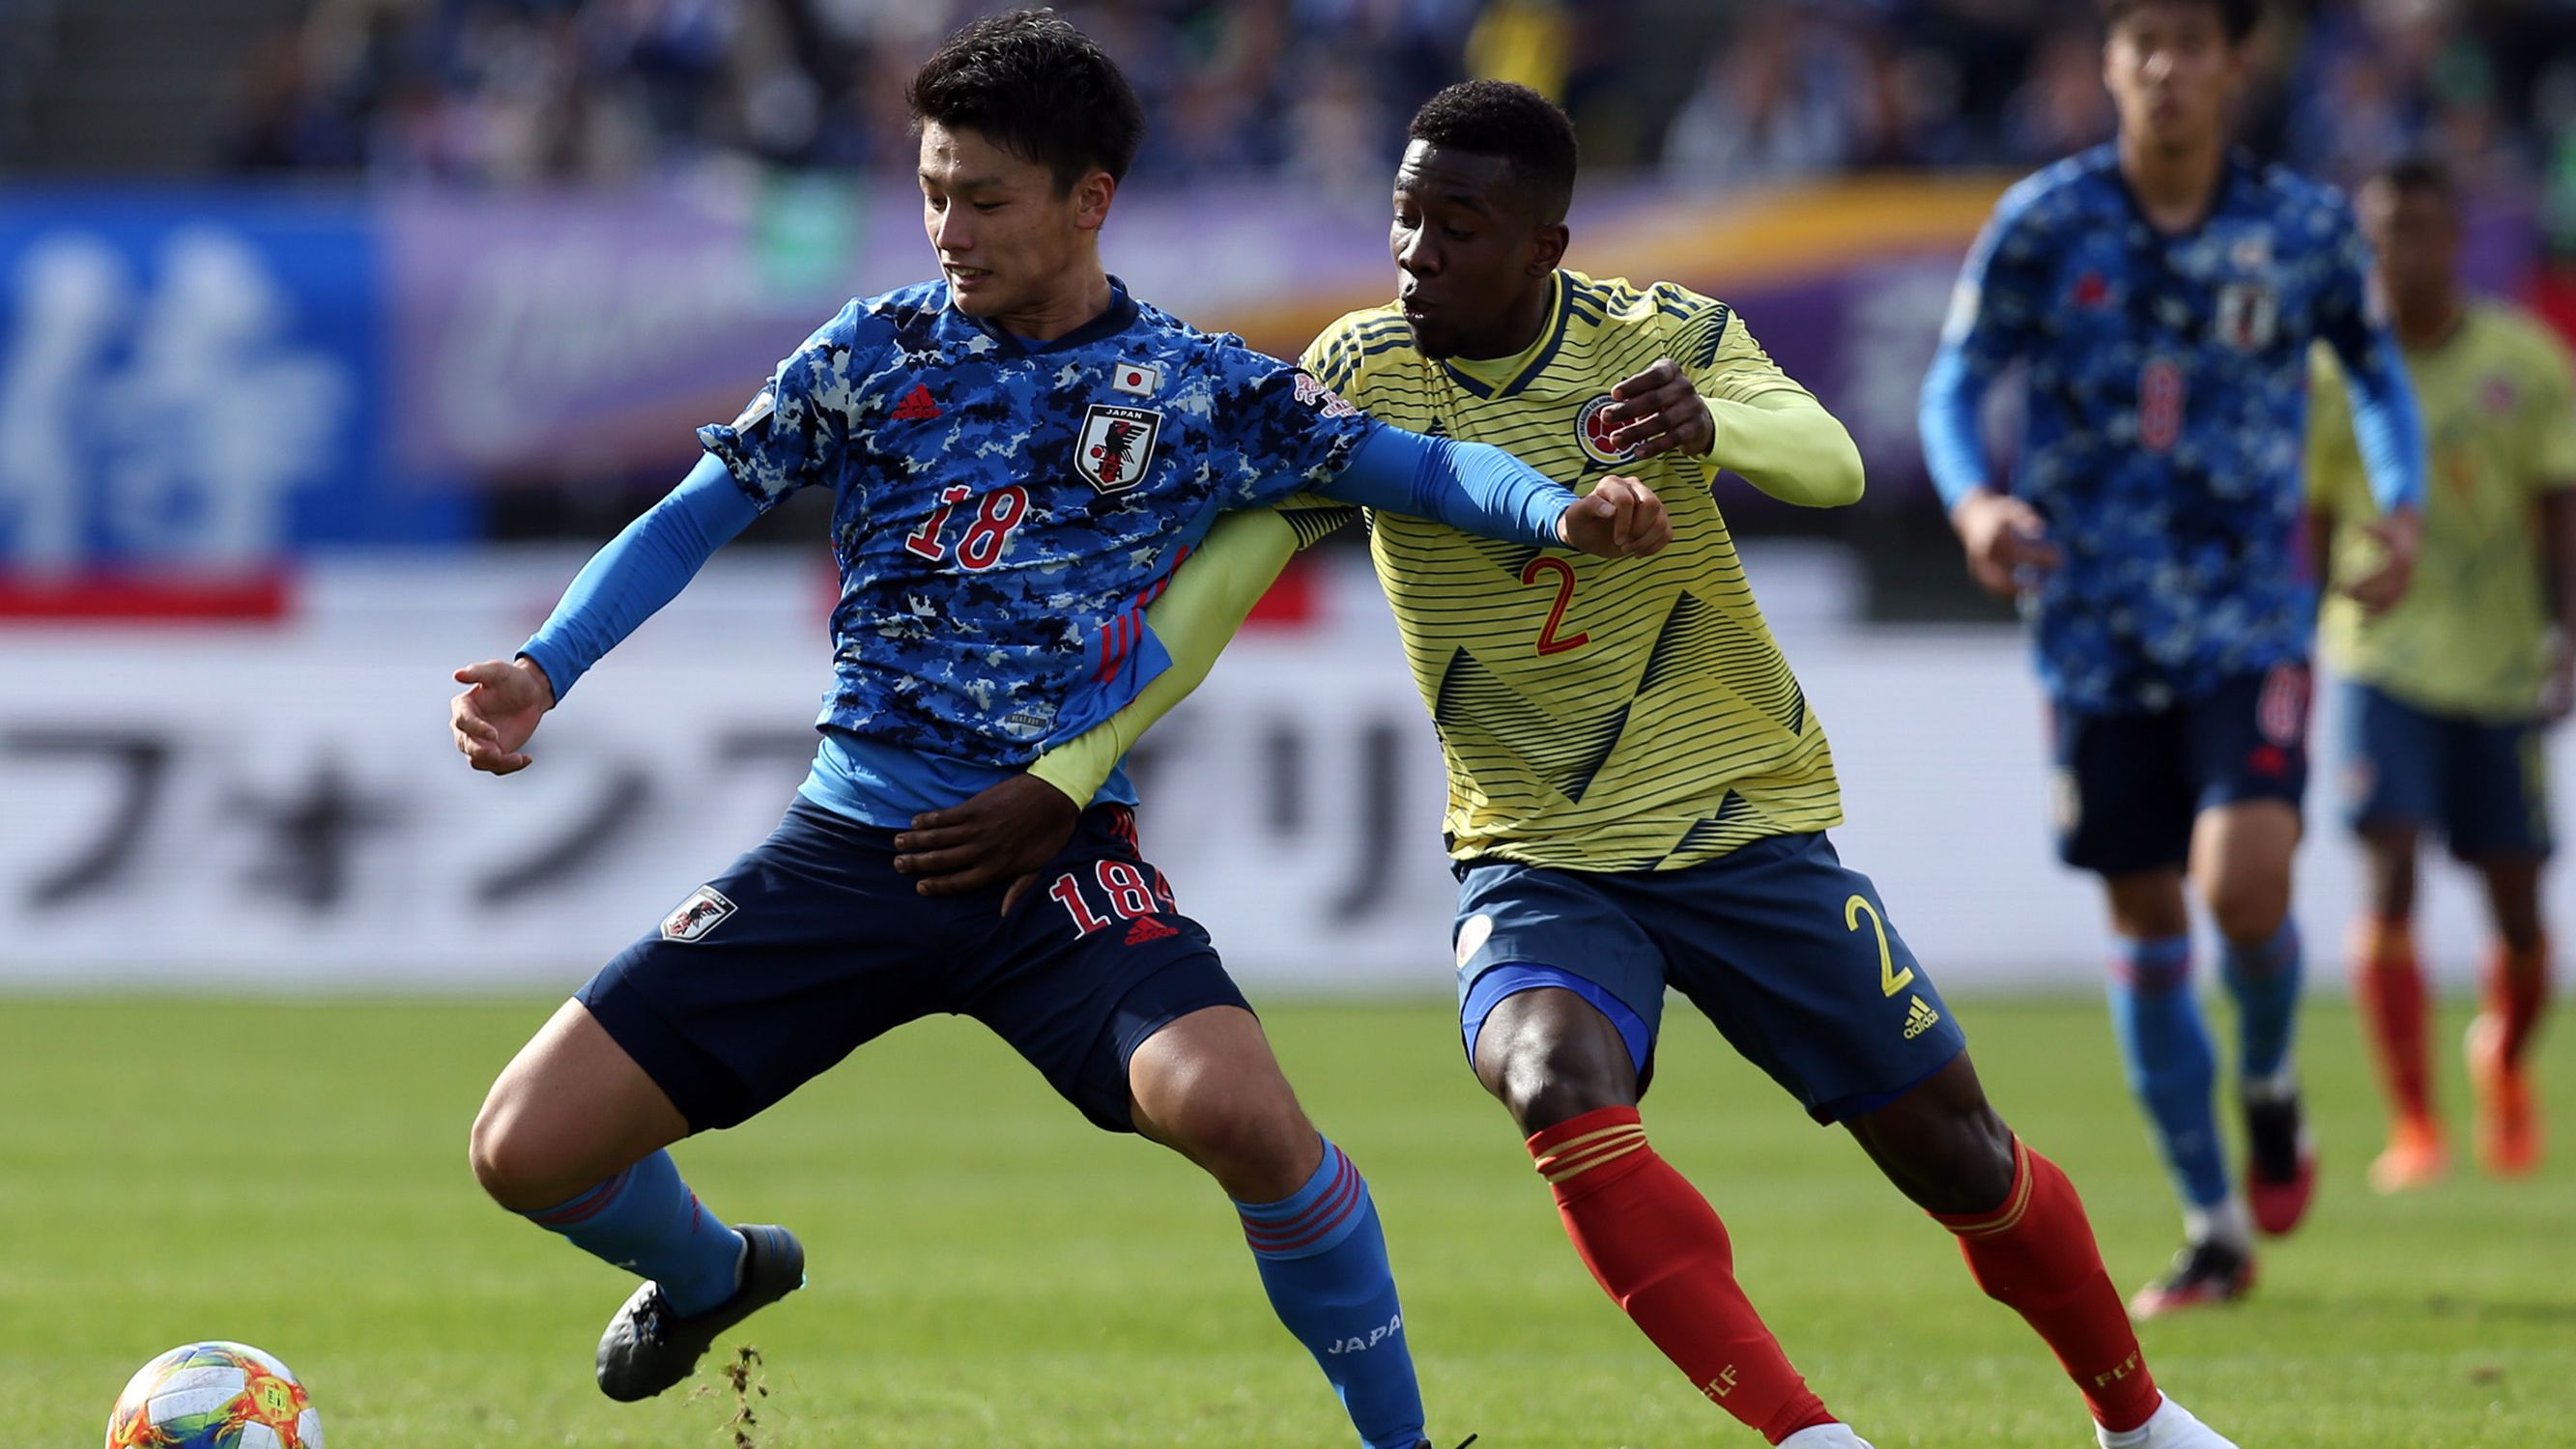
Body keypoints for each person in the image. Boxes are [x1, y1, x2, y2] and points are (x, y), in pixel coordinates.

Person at [895, 78, 2240, 1449]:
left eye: (1457, 228)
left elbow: (1829, 464)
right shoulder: (1361, 376)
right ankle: (1809, 1438)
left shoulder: (1660, 341)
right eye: (1405, 219)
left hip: (1738, 823)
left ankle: (2137, 1422)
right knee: (1551, 1076)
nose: (1416, 253)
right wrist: (1069, 767)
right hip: (1533, 855)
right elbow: (1214, 598)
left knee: (1957, 1155)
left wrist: (1712, 427)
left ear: (1545, 247)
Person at [445, 14, 1665, 1447]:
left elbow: (1422, 468)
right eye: (930, 191)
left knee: (1247, 1120)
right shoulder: (874, 350)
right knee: (521, 1152)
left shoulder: (1197, 388)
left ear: (1088, 199)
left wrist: (1561, 511)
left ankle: (1403, 1445)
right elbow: (691, 515)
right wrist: (546, 665)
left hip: (1056, 866)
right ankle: (714, 1274)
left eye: (983, 197)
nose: (946, 229)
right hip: (852, 848)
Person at [1918, 0, 2426, 1315]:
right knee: (2142, 914)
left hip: (2249, 609)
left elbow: (2371, 376)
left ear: (2230, 66)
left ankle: (2265, 1077)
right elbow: (1952, 380)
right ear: (2107, 64)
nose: (2162, 67)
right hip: (2087, 627)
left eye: (2189, 41)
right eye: (2138, 40)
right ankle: (2210, 1224)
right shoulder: (2044, 219)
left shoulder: (2301, 228)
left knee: (2242, 886)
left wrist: (2398, 498)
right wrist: (1975, 500)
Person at [2308, 157, 2574, 1190]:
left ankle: (2500, 1059)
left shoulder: (2525, 360)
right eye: (2380, 237)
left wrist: (2565, 640)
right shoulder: (2334, 373)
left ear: (2454, 239)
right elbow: (2309, 520)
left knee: (2514, 901)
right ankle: (2412, 1122)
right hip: (2377, 657)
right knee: (2388, 866)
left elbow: (2558, 512)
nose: (2399, 255)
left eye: (2418, 231)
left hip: (2501, 667)